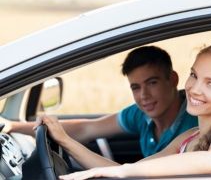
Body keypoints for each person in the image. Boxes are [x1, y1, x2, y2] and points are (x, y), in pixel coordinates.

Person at [37, 40, 211, 179]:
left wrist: (122, 171)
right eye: (194, 75)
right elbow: (135, 170)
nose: (193, 89)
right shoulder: (190, 137)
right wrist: (65, 140)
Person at [0, 46, 198, 157]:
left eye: (152, 83)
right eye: (135, 87)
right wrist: (12, 126)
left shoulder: (196, 120)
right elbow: (88, 129)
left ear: (172, 79)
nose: (143, 95)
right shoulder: (140, 114)